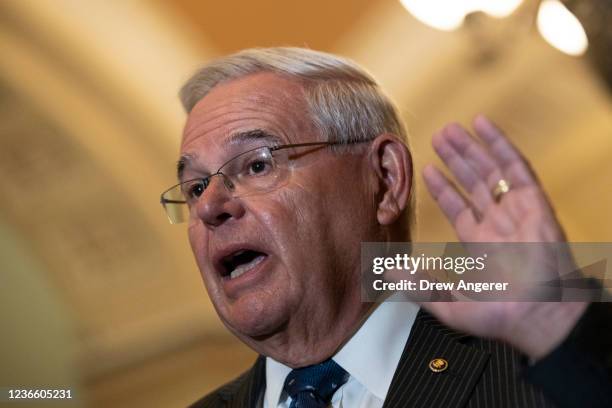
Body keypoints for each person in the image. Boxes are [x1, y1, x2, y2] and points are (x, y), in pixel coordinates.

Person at [159, 47, 612, 407]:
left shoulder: (542, 365)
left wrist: (552, 321)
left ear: (386, 178)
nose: (209, 206)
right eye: (195, 187)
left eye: (257, 165)